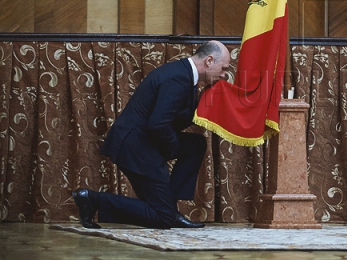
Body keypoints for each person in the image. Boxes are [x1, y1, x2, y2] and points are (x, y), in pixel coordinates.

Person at [72, 40, 231, 229]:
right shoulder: (179, 78)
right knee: (162, 218)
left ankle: (169, 207)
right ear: (209, 61)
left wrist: (204, 104)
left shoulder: (184, 73)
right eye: (223, 69)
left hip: (142, 141)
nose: (223, 75)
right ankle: (93, 200)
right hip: (135, 146)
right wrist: (168, 153)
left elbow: (171, 118)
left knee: (195, 144)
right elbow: (158, 124)